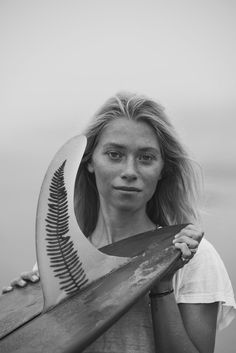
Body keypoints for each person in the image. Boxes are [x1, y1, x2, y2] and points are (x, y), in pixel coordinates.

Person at [3, 92, 235, 353]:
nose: (129, 171)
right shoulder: (57, 264)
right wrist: (25, 308)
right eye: (114, 154)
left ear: (163, 170)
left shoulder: (193, 257)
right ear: (89, 161)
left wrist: (161, 282)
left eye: (146, 157)